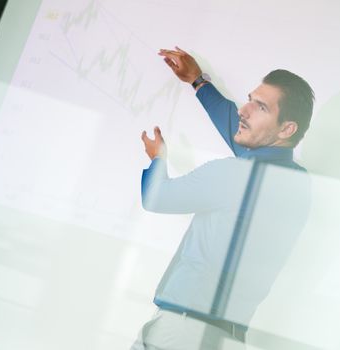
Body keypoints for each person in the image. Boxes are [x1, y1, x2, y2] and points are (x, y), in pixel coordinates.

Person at [132, 47, 315, 350]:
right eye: (250, 101)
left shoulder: (233, 174)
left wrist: (158, 160)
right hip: (228, 338)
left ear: (287, 129)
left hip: (181, 331)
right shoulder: (298, 184)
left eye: (261, 108)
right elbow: (246, 139)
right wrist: (198, 83)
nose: (244, 110)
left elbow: (156, 198)